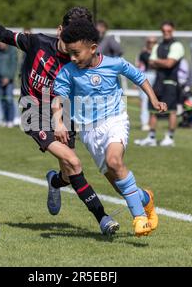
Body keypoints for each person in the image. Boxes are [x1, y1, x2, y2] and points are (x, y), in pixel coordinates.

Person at [0, 0, 119, 235]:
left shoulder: (80, 62)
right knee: (74, 161)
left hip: (64, 114)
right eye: (69, 37)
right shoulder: (37, 42)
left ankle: (54, 182)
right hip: (32, 110)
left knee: (69, 173)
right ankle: (103, 219)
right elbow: (2, 34)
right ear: (59, 30)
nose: (73, 46)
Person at [53, 19, 167, 236]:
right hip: (88, 131)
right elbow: (58, 98)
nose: (73, 58)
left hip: (115, 120)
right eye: (70, 54)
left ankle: (139, 218)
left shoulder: (114, 64)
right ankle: (146, 198)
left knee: (115, 161)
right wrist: (58, 121)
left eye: (76, 53)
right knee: (120, 186)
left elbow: (139, 77)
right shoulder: (68, 71)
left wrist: (153, 99)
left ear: (93, 48)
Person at [135, 21, 185, 147]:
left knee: (171, 110)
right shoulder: (158, 45)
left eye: (168, 31)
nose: (166, 33)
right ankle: (151, 137)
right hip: (158, 80)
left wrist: (158, 61)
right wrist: (162, 62)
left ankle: (170, 137)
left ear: (173, 30)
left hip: (171, 81)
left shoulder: (177, 45)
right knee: (153, 109)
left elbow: (170, 63)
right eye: (164, 31)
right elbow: (150, 62)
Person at [0, 38, 18, 128]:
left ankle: (11, 119)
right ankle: (5, 119)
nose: (1, 45)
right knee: (2, 100)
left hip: (8, 80)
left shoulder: (12, 51)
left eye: (2, 43)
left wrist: (8, 77)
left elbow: (14, 66)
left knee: (9, 99)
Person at [136, 37, 157, 131]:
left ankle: (152, 121)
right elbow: (150, 63)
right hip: (147, 75)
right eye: (149, 42)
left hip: (157, 76)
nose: (151, 44)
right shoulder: (144, 54)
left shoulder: (158, 53)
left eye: (154, 42)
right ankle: (144, 122)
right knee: (145, 99)